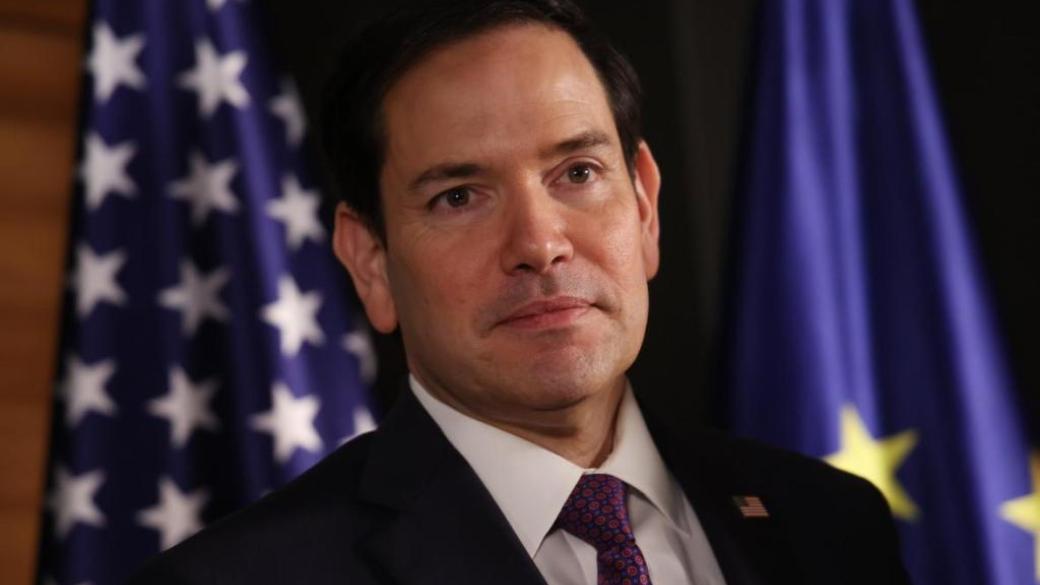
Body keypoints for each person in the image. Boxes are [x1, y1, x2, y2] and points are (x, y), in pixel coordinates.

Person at [130, 1, 911, 583]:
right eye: (459, 196)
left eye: (578, 172)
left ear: (644, 206)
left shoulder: (831, 525)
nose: (539, 243)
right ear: (371, 261)